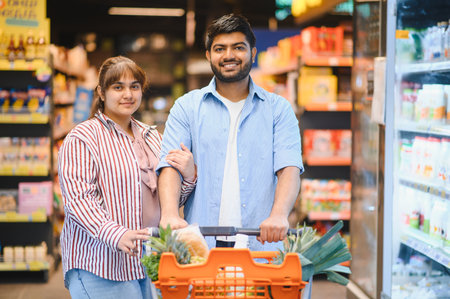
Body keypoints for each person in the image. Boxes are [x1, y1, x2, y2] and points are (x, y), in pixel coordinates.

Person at [157, 14, 303, 251]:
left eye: (238, 47)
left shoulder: (278, 109)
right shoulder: (188, 107)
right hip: (201, 246)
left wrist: (279, 215)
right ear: (208, 56)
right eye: (219, 49)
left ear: (253, 53)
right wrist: (170, 214)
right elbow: (170, 165)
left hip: (260, 245)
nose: (228, 56)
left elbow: (289, 167)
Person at [58, 56, 197, 299]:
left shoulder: (152, 136)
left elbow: (169, 201)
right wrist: (116, 233)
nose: (128, 94)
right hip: (101, 264)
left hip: (148, 260)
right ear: (101, 92)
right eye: (118, 87)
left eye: (134, 86)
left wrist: (188, 176)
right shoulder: (82, 137)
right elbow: (78, 200)